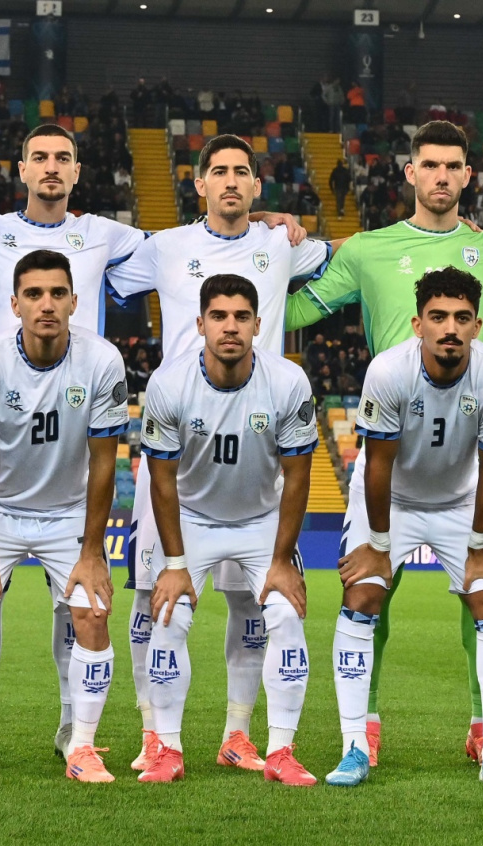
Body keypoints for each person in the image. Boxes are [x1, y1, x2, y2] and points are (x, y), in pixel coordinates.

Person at [0, 122, 306, 760]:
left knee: (66, 607)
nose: (51, 167)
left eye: (63, 158)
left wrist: (262, 219)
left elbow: (199, 236)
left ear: (77, 171)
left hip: (61, 440)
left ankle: (71, 728)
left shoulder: (106, 236)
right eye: (39, 157)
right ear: (21, 169)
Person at [286, 120, 483, 766]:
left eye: (453, 166)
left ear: (467, 176)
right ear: (410, 173)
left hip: (466, 444)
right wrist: (259, 247)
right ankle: (364, 728)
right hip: (393, 441)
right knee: (372, 591)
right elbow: (297, 311)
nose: (441, 176)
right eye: (430, 165)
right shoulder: (370, 250)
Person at [106, 134, 334, 771]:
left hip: (256, 432)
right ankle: (154, 734)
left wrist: (442, 234)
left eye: (242, 172)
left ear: (257, 186)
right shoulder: (165, 246)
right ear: (199, 183)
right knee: (153, 598)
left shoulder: (281, 243)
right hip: (177, 436)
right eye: (218, 171)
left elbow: (344, 254)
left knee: (251, 605)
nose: (230, 180)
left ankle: (239, 734)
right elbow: (98, 280)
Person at [329, 267, 483, 788]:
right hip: (390, 499)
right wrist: (378, 545)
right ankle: (355, 745)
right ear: (418, 324)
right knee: (363, 593)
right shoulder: (388, 371)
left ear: (478, 326)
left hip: (460, 500)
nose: (450, 328)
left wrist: (480, 545)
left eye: (462, 318)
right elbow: (377, 464)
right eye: (438, 317)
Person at [0, 249, 129, 784]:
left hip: (67, 512)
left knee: (92, 614)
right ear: (15, 304)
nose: (46, 304)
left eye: (57, 293)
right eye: (34, 294)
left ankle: (81, 745)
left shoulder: (102, 361)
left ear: (74, 301)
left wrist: (92, 553)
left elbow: (103, 461)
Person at [137, 274, 318, 785]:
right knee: (168, 615)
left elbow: (298, 475)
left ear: (259, 324)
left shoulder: (288, 382)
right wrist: (175, 564)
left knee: (285, 614)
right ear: (200, 324)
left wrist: (281, 561)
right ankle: (167, 750)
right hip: (191, 517)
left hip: (260, 519)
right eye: (219, 316)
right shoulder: (169, 384)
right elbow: (162, 480)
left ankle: (280, 751)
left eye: (241, 317)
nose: (230, 327)